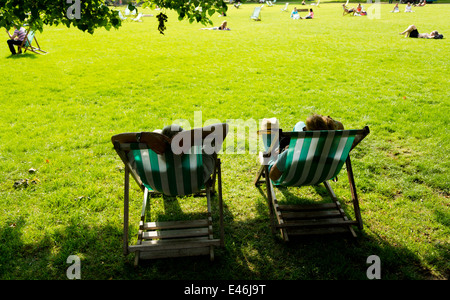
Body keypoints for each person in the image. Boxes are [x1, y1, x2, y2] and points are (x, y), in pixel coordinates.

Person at [263, 114, 344, 181]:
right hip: (317, 175)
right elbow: (340, 125)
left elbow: (274, 176)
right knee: (300, 124)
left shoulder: (292, 153)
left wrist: (281, 155)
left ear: (308, 133)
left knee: (268, 123)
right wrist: (328, 122)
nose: (303, 129)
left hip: (286, 176)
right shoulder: (334, 149)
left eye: (305, 129)